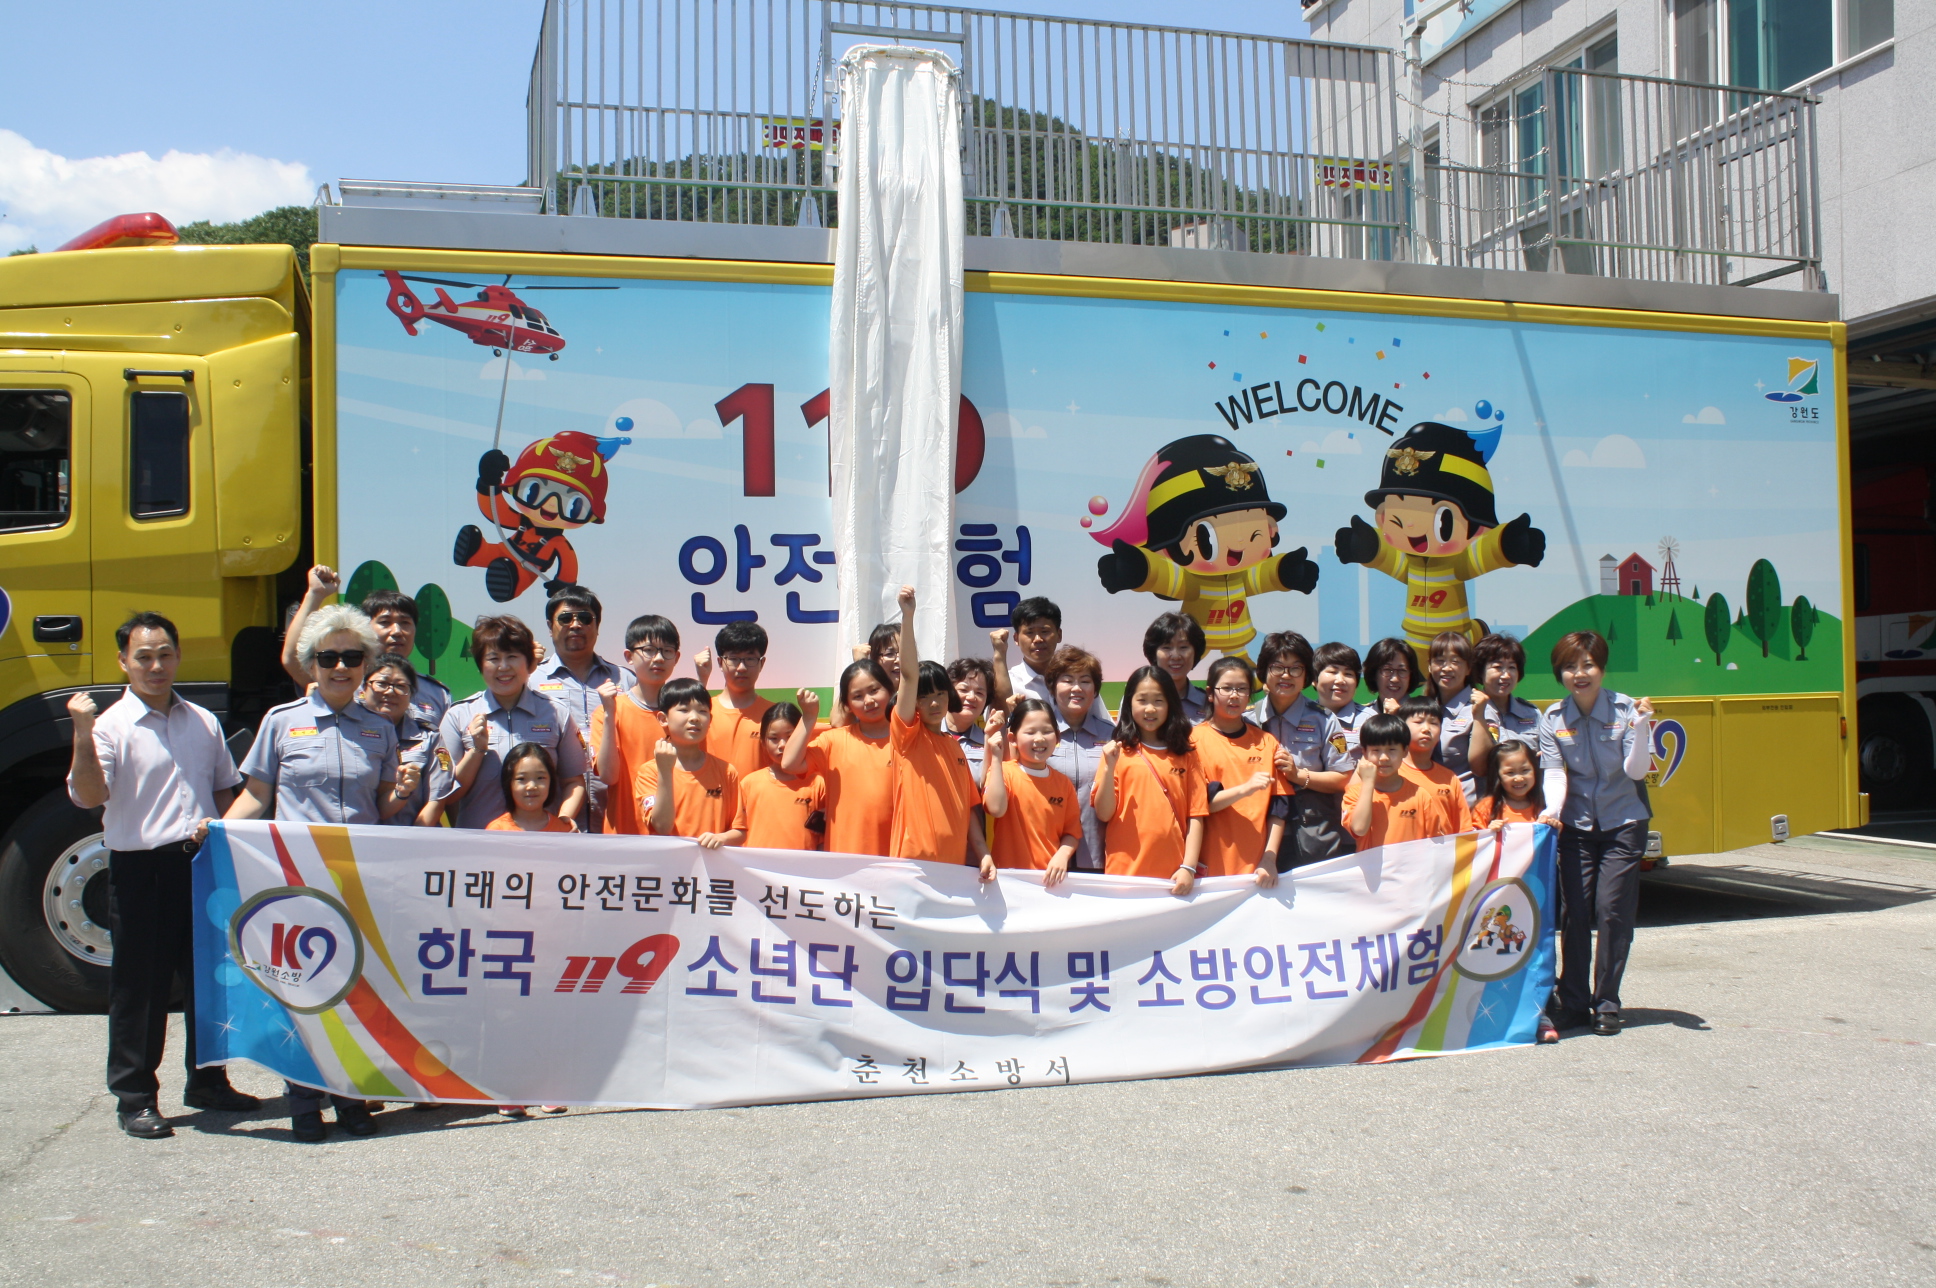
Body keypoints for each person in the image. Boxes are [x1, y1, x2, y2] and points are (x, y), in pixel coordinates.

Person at [229, 605, 421, 1142]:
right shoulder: (280, 721)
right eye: (329, 657)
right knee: (305, 994)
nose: (341, 667)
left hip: (358, 880)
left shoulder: (380, 731)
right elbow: (256, 796)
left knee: (356, 991)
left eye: (352, 657)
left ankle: (352, 1100)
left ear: (365, 665)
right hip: (298, 881)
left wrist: (403, 790)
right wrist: (217, 830)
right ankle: (304, 1103)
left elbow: (382, 807)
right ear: (311, 663)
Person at [66, 612, 259, 1140]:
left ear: (178, 656)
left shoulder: (202, 721)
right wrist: (82, 732)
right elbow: (90, 795)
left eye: (165, 655)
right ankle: (135, 1097)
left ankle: (208, 1081)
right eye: (144, 657)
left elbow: (224, 789)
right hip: (143, 870)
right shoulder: (109, 726)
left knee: (209, 980)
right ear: (123, 661)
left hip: (200, 864)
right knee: (141, 988)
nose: (156, 666)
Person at [1538, 630, 1655, 1037]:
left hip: (1624, 822)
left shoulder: (1627, 709)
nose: (1579, 673)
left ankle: (1606, 1002)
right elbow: (1555, 773)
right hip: (1576, 824)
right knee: (1573, 913)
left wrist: (1642, 727)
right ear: (1560, 673)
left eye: (1587, 664)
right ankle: (1573, 1002)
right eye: (1570, 667)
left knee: (1612, 910)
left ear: (1601, 668)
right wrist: (1552, 811)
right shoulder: (1553, 718)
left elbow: (1636, 771)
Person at [426, 615, 587, 830]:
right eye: (493, 658)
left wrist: (562, 821)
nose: (503, 667)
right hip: (479, 841)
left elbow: (573, 781)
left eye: (512, 657)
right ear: (480, 665)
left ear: (529, 663)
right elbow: (447, 794)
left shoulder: (556, 713)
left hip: (541, 841)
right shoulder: (459, 716)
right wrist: (476, 751)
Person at [884, 586, 986, 865]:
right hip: (913, 864)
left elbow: (969, 809)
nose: (934, 703)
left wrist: (983, 853)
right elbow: (908, 676)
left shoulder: (955, 748)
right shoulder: (908, 737)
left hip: (953, 865)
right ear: (914, 702)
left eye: (940, 694)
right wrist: (908, 616)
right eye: (924, 696)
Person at [281, 566, 450, 729]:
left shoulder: (436, 694)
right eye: (385, 622)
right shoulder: (344, 679)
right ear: (366, 629)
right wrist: (315, 594)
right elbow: (292, 658)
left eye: (405, 623)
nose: (397, 631)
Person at [1092, 666, 1208, 895]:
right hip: (1124, 875)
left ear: (1171, 704)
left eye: (1158, 701)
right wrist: (1109, 767)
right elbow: (1104, 814)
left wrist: (1188, 867)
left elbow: (1196, 815)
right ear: (1129, 703)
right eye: (1142, 700)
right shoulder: (1116, 752)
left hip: (1173, 876)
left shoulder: (1186, 754)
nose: (1150, 709)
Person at [1249, 632, 1355, 868]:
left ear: (1307, 675)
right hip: (1256, 833)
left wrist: (1298, 775)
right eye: (1278, 667)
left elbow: (1342, 777)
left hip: (1312, 834)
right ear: (1264, 671)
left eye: (1296, 668)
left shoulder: (1325, 719)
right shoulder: (1247, 719)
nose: (1286, 675)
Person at [532, 587, 633, 832]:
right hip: (553, 825)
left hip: (617, 823)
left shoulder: (626, 679)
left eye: (585, 618)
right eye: (566, 618)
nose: (576, 625)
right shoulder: (531, 680)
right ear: (550, 626)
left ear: (597, 626)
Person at [782, 661, 895, 856]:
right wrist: (808, 717)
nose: (868, 701)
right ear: (847, 705)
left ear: (890, 689)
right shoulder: (834, 740)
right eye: (857, 696)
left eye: (874, 690)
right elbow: (790, 764)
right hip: (845, 858)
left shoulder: (909, 740)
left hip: (898, 858)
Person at [1190, 658, 1286, 885]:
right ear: (1210, 693)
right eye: (1226, 688)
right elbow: (1199, 806)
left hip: (1257, 869)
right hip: (1207, 867)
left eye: (1242, 689)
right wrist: (1246, 788)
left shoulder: (1267, 742)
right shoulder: (1193, 741)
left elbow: (1279, 808)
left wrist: (1269, 858)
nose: (1234, 695)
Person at [590, 615, 681, 835]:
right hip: (625, 834)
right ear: (629, 656)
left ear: (676, 657)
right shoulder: (608, 711)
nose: (658, 658)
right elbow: (608, 776)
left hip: (677, 834)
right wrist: (610, 713)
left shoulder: (684, 713)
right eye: (648, 650)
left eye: (667, 651)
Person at [981, 699, 1081, 884]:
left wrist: (1062, 856)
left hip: (1050, 882)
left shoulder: (1063, 783)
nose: (1040, 738)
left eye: (1047, 731)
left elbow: (1072, 833)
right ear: (1012, 739)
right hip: (1008, 880)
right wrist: (995, 759)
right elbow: (995, 809)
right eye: (1030, 732)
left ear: (1057, 737)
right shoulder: (1003, 772)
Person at [635, 679, 743, 848]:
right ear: (663, 718)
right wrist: (665, 770)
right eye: (684, 710)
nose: (694, 718)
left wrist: (722, 838)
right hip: (668, 861)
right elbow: (662, 827)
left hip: (711, 861)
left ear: (710, 719)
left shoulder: (726, 771)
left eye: (702, 711)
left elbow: (739, 830)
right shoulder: (650, 772)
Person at [1042, 646, 1116, 874]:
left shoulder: (1112, 735)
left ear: (1095, 690)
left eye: (1085, 681)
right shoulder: (1038, 733)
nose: (1076, 688)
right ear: (1053, 687)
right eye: (1067, 680)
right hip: (1046, 856)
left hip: (1098, 856)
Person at [1343, 713, 1454, 850]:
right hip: (1372, 864)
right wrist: (1368, 783)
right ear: (1364, 752)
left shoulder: (1420, 795)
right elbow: (1359, 829)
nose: (1384, 757)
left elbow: (1435, 842)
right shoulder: (1355, 793)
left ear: (1405, 751)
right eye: (1376, 750)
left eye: (1392, 750)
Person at [730, 703, 827, 851]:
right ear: (763, 742)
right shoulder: (749, 784)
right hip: (756, 864)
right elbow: (737, 831)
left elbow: (823, 841)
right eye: (774, 738)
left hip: (802, 865)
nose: (782, 745)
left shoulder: (818, 784)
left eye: (790, 736)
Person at [359, 652, 435, 827]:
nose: (390, 692)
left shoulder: (429, 738)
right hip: (357, 834)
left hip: (412, 835)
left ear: (411, 694)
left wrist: (412, 839)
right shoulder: (347, 734)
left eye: (400, 686)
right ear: (364, 687)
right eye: (382, 683)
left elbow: (436, 801)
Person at [693, 621, 774, 779]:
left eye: (750, 659)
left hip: (756, 796)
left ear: (762, 663)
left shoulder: (773, 715)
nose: (742, 667)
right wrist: (701, 680)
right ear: (720, 662)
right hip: (712, 795)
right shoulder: (703, 712)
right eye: (734, 658)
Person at [1426, 630, 1493, 805]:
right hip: (1429, 808)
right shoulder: (1424, 707)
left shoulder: (1481, 707)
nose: (1447, 668)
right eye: (1440, 661)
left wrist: (1479, 717)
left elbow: (1481, 768)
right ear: (1429, 666)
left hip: (1467, 809)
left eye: (1455, 662)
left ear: (1468, 668)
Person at [1395, 694, 1473, 835]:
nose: (1426, 729)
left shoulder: (1449, 778)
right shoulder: (1391, 773)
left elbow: (1463, 829)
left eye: (1434, 723)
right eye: (1418, 722)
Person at [1473, 633, 1543, 751]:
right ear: (1481, 671)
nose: (1506, 675)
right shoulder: (1470, 711)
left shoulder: (1532, 713)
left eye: (1512, 667)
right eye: (1498, 667)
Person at [486, 743, 576, 833]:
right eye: (521, 779)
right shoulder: (497, 830)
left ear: (551, 781)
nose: (532, 786)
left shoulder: (565, 830)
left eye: (540, 778)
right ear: (509, 783)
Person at [1474, 738, 1559, 831]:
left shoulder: (1544, 806)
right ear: (1497, 775)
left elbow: (1549, 838)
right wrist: (1489, 831)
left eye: (1525, 770)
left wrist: (1555, 829)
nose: (1519, 778)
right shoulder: (1485, 807)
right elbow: (1474, 837)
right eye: (1510, 772)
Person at [1143, 612, 1211, 724]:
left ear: (1195, 652)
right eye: (1166, 647)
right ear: (1154, 653)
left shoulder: (1209, 703)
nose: (1175, 656)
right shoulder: (1137, 700)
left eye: (1183, 647)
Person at [1311, 642, 1376, 754]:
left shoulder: (1370, 720)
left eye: (1348, 674)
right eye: (1333, 672)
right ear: (1314, 679)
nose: (1340, 680)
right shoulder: (1300, 717)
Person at [945, 655, 995, 785]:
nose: (971, 697)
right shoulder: (925, 733)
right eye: (963, 689)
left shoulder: (988, 743)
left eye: (979, 693)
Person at [1005, 597, 1063, 704]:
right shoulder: (1009, 683)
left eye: (1044, 631)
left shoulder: (1077, 679)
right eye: (1029, 632)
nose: (1037, 639)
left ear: (1059, 635)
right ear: (1016, 639)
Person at [1364, 637, 1421, 714]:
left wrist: (1399, 714)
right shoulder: (1364, 716)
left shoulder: (1423, 714)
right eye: (1387, 670)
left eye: (1402, 670)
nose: (1395, 679)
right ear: (1373, 674)